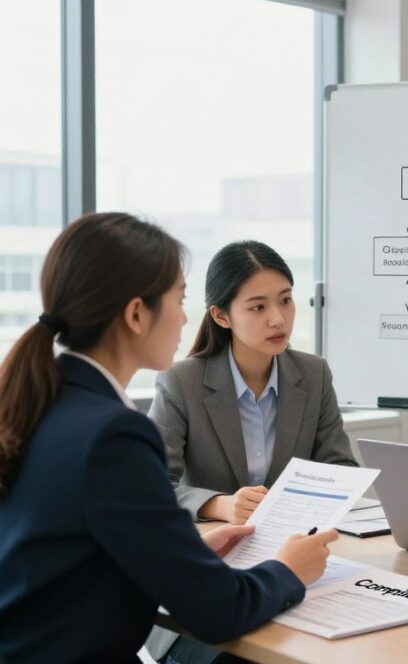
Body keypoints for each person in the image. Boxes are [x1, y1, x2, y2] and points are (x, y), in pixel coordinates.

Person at [0, 214, 338, 663]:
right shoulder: (113, 433)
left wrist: (186, 548)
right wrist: (288, 570)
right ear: (137, 314)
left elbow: (77, 551)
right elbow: (221, 611)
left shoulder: (44, 401)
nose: (184, 317)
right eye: (178, 299)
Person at [150, 241, 357, 524]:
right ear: (221, 316)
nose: (278, 319)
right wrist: (218, 505)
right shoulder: (181, 381)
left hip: (292, 538)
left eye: (285, 300)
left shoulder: (314, 374)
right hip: (213, 545)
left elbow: (340, 468)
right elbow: (151, 484)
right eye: (258, 307)